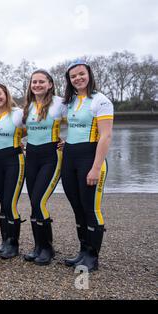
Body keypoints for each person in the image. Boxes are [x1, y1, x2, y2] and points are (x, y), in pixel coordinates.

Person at [61, 59, 113, 272]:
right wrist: (67, 142)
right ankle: (83, 251)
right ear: (69, 80)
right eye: (73, 76)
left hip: (90, 160)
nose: (78, 78)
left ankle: (92, 256)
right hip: (70, 157)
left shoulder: (101, 100)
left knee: (91, 208)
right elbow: (74, 128)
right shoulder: (70, 101)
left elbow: (106, 136)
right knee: (77, 207)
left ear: (89, 74)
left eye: (81, 74)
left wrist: (95, 167)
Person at [22, 70, 66, 266]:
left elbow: (79, 123)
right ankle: (38, 246)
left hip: (51, 157)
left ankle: (48, 248)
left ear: (50, 84)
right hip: (31, 156)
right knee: (33, 202)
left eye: (41, 81)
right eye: (34, 82)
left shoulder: (61, 103)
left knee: (39, 201)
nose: (37, 85)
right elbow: (23, 129)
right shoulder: (29, 105)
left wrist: (69, 141)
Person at [0, 84, 25, 259]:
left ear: (6, 94)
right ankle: (5, 241)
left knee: (10, 203)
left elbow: (39, 129)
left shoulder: (18, 113)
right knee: (3, 203)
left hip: (14, 161)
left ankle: (14, 245)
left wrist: (60, 141)